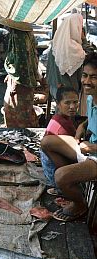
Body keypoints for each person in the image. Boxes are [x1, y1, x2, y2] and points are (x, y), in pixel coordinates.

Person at [41, 52, 97, 221]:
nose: (87, 81)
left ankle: (80, 205)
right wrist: (83, 125)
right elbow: (92, 118)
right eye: (85, 76)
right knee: (47, 142)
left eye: (94, 77)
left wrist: (94, 147)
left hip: (95, 155)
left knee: (60, 176)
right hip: (89, 149)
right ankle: (72, 184)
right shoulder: (90, 99)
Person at [0, 18, 39, 128]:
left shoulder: (18, 38)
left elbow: (21, 65)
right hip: (23, 83)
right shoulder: (26, 37)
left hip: (19, 85)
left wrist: (14, 84)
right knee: (24, 112)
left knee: (17, 115)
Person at [40, 86, 80, 195]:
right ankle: (60, 188)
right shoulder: (63, 124)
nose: (72, 106)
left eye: (75, 102)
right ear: (58, 104)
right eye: (67, 103)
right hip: (54, 171)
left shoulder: (59, 117)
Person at [46, 13, 85, 102]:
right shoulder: (76, 49)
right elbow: (83, 72)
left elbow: (49, 68)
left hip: (55, 87)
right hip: (70, 92)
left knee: (60, 112)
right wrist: (84, 40)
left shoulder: (55, 44)